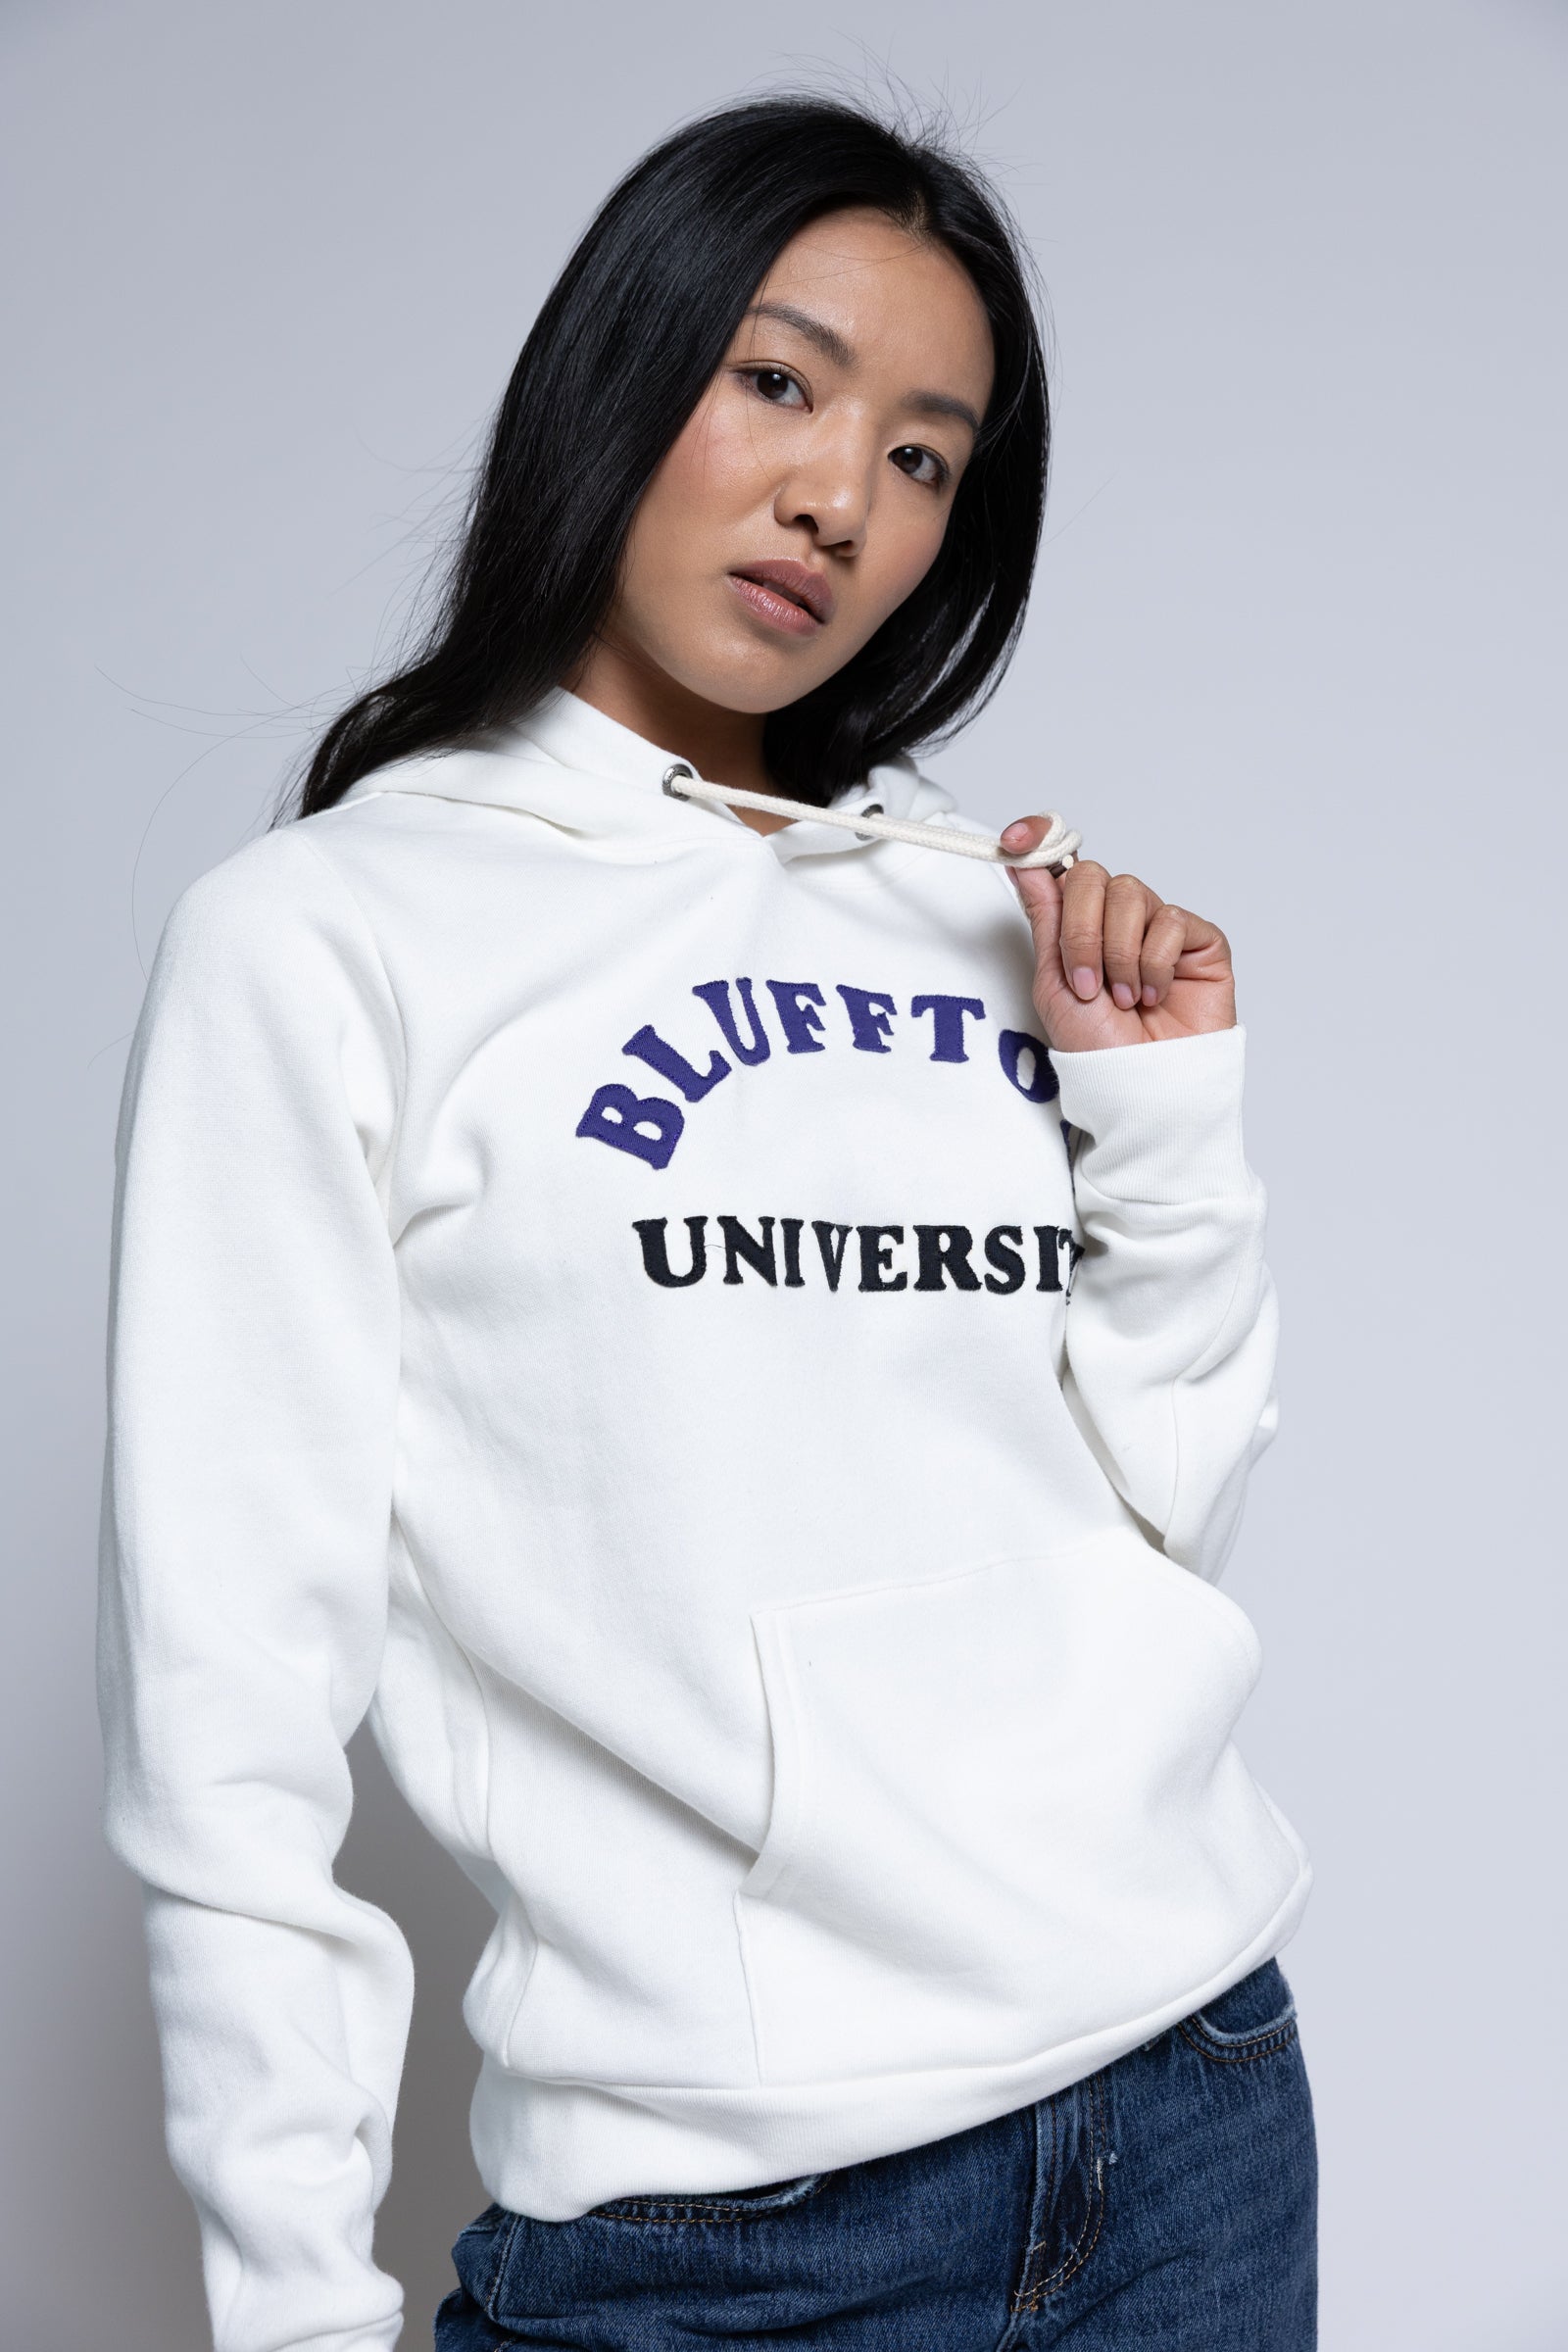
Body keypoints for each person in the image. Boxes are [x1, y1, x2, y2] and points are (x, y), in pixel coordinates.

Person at [96, 94, 1317, 2352]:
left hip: (1188, 2109)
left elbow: (1153, 1534)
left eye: (923, 456)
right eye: (778, 381)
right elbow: (226, 1734)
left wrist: (1157, 1117)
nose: (841, 498)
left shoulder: (972, 907)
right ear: (619, 367)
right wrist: (289, 2311)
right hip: (726, 2222)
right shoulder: (329, 939)